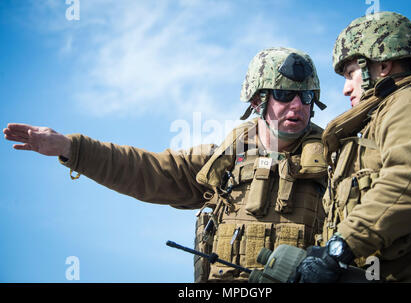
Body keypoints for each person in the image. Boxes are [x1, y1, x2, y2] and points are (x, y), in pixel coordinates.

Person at [4, 47, 328, 282]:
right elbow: (146, 171)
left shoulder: (336, 161)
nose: (297, 105)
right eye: (285, 95)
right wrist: (72, 148)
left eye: (306, 96)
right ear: (257, 100)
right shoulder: (223, 162)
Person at [297, 11, 411, 283]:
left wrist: (339, 248)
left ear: (382, 65)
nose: (345, 88)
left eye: (350, 73)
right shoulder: (377, 120)